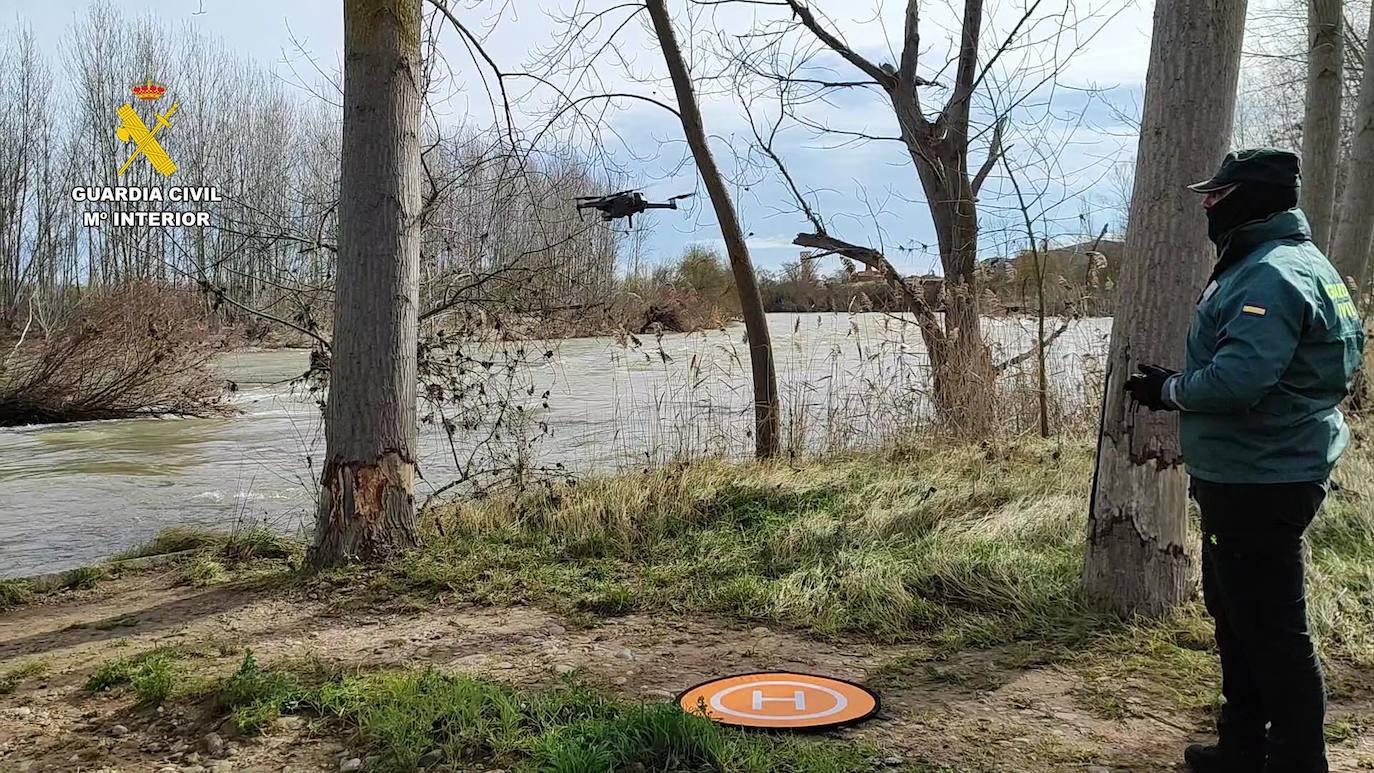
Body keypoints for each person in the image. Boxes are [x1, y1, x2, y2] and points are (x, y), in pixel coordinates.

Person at [1125, 148, 1366, 773]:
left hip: (1260, 477)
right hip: (1263, 469)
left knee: (1272, 631)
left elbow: (1237, 381)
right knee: (1236, 616)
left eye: (1219, 194)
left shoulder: (1269, 273)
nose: (1209, 204)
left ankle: (1297, 762)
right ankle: (1242, 748)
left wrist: (1169, 390)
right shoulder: (1294, 262)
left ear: (1251, 198)